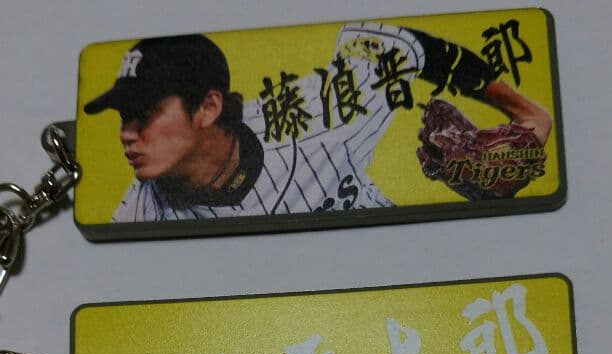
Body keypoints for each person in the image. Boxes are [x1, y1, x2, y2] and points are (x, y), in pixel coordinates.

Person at [84, 23, 552, 222]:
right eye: (124, 115)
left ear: (207, 108)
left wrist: (525, 113)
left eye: (145, 114)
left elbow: (409, 47)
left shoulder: (319, 115)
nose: (126, 133)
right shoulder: (138, 211)